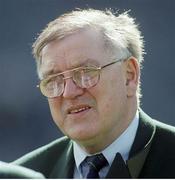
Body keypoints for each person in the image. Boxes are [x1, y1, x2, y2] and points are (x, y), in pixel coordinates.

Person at [12, 8, 175, 178]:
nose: (69, 92)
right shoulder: (25, 174)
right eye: (54, 80)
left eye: (85, 72)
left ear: (129, 76)